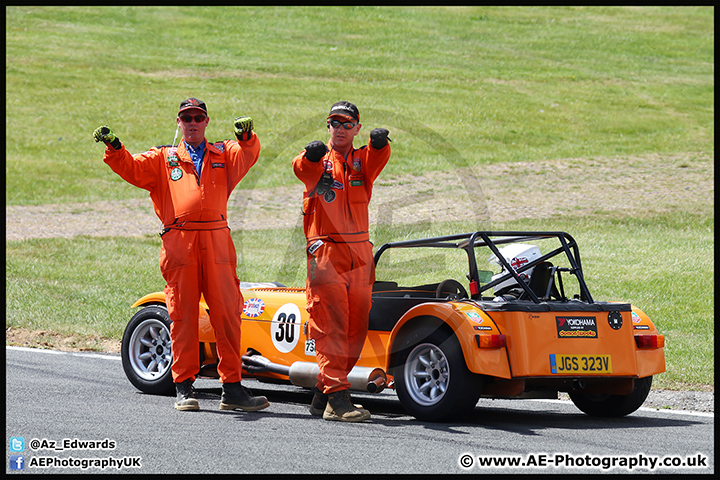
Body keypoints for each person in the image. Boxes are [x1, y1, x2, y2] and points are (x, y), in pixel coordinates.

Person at [93, 98, 269, 413]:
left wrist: (246, 137)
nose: (192, 123)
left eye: (197, 117)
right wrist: (115, 147)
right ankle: (184, 387)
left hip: (217, 242)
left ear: (206, 121)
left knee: (228, 315)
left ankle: (232, 389)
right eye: (186, 118)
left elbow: (248, 155)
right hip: (180, 242)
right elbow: (132, 168)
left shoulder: (224, 152)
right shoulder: (163, 157)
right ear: (179, 122)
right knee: (182, 315)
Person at [292, 101, 391, 422]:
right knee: (329, 324)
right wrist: (310, 155)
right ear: (328, 126)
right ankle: (337, 398)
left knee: (356, 326)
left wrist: (380, 144)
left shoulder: (364, 160)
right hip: (325, 251)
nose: (340, 129)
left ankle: (324, 393)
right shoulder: (317, 161)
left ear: (357, 128)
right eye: (334, 123)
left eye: (347, 124)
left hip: (360, 250)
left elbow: (378, 159)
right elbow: (300, 168)